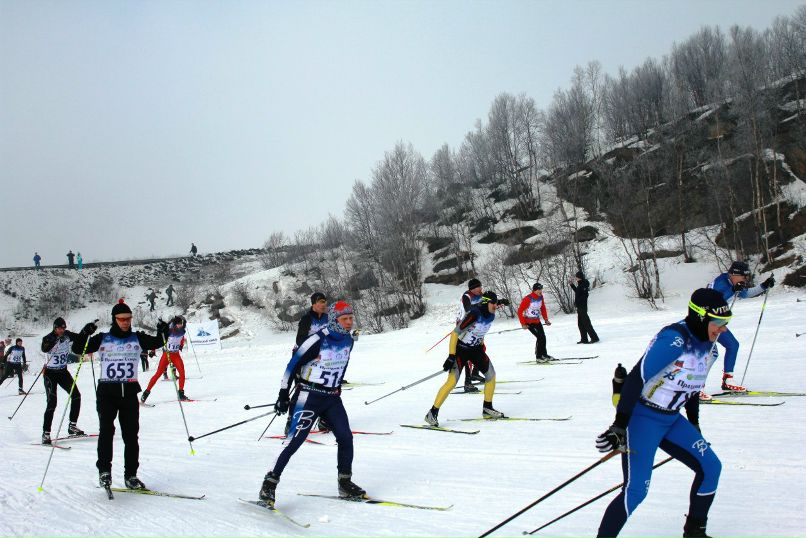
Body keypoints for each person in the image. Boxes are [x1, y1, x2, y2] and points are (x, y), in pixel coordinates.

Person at [594, 288, 729, 538]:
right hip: (643, 419)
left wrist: (694, 425)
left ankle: (695, 532)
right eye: (719, 323)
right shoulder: (674, 339)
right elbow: (638, 377)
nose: (723, 329)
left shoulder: (711, 350)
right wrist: (619, 425)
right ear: (701, 317)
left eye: (726, 323)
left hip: (671, 418)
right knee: (636, 491)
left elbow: (692, 388)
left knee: (711, 467)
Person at [258, 301, 364, 507]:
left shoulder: (348, 340)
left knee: (345, 437)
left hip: (331, 398)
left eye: (351, 318)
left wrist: (336, 385)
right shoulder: (316, 340)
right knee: (295, 440)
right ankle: (269, 483)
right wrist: (282, 395)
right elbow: (291, 366)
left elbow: (341, 365)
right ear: (335, 320)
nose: (350, 322)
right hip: (309, 396)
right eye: (345, 319)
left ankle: (345, 482)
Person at [71, 300, 167, 490]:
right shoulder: (103, 338)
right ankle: (104, 472)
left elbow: (158, 342)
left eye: (128, 319)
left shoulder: (137, 338)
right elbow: (78, 349)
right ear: (115, 320)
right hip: (107, 393)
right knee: (106, 432)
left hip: (130, 393)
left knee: (131, 436)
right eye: (122, 319)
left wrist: (163, 330)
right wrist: (83, 334)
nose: (125, 322)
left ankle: (131, 475)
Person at [425, 291, 506, 427]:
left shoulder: (490, 314)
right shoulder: (475, 314)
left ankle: (487, 408)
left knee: (491, 375)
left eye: (496, 303)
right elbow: (454, 333)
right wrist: (451, 356)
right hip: (461, 350)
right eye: (494, 303)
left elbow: (481, 331)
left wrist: (481, 345)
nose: (496, 306)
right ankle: (432, 413)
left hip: (476, 350)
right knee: (451, 382)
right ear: (486, 303)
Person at [701, 260, 775, 399]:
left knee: (733, 345)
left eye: (746, 277)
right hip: (703, 322)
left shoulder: (732, 283)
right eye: (743, 276)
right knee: (712, 354)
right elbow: (711, 303)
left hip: (716, 322)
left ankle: (728, 380)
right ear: (733, 275)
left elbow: (746, 294)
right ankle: (696, 388)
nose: (745, 279)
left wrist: (764, 286)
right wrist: (732, 291)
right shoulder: (721, 284)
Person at [285, 292, 330, 434]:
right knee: (301, 390)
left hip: (320, 358)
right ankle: (291, 421)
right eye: (321, 302)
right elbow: (300, 340)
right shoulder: (306, 319)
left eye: (325, 302)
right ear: (313, 304)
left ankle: (324, 420)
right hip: (302, 357)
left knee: (324, 388)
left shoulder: (328, 318)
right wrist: (314, 349)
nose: (324, 304)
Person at [40, 318, 86, 444]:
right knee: (52, 402)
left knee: (76, 395)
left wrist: (86, 331)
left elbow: (80, 338)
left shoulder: (66, 335)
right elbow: (44, 348)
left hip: (62, 371)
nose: (61, 330)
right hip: (50, 373)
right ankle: (46, 433)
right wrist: (55, 340)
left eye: (63, 328)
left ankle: (72, 426)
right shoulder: (48, 337)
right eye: (59, 328)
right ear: (54, 328)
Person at [141, 316, 189, 403]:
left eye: (181, 324)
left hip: (176, 355)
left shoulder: (182, 331)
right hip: (167, 355)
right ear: (175, 324)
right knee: (158, 374)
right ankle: (146, 392)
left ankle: (181, 393)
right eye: (178, 324)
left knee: (182, 372)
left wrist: (181, 346)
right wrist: (161, 326)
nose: (180, 326)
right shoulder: (169, 331)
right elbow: (159, 338)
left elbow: (182, 336)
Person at [456, 278, 485, 392]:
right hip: (464, 328)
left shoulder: (480, 295)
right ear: (473, 288)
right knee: (467, 355)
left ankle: (475, 374)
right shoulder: (466, 296)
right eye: (479, 287)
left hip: (475, 327)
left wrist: (499, 302)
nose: (481, 289)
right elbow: (469, 309)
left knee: (481, 349)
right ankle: (467, 383)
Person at [517, 282, 553, 361]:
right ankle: (539, 357)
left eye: (541, 289)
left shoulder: (541, 297)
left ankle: (544, 355)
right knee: (540, 337)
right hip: (529, 322)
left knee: (543, 337)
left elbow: (543, 308)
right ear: (534, 290)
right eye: (539, 289)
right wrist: (523, 324)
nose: (540, 291)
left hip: (537, 321)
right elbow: (520, 311)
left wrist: (546, 319)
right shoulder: (528, 299)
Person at [570, 271, 599, 344]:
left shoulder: (584, 285)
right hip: (579, 307)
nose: (576, 278)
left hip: (582, 307)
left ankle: (594, 338)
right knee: (580, 324)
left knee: (586, 323)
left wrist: (578, 302)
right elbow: (577, 292)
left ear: (580, 277)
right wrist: (572, 285)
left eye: (577, 277)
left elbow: (585, 296)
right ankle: (584, 339)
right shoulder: (580, 284)